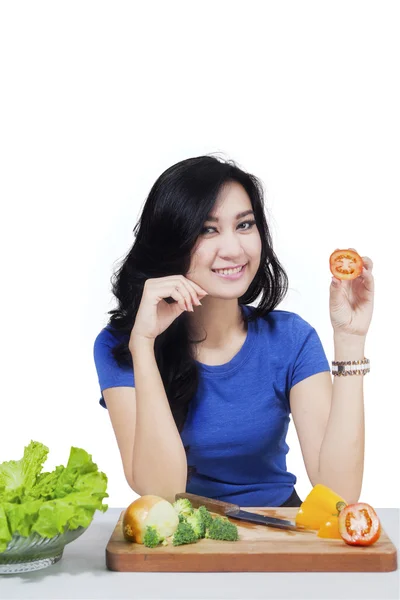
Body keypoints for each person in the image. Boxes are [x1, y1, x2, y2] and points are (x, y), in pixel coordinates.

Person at [93, 154, 374, 508]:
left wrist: (350, 339)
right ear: (171, 240)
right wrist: (144, 344)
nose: (233, 249)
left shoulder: (291, 340)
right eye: (207, 229)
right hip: (180, 537)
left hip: (276, 531)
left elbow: (339, 493)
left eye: (244, 225)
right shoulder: (121, 345)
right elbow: (160, 492)